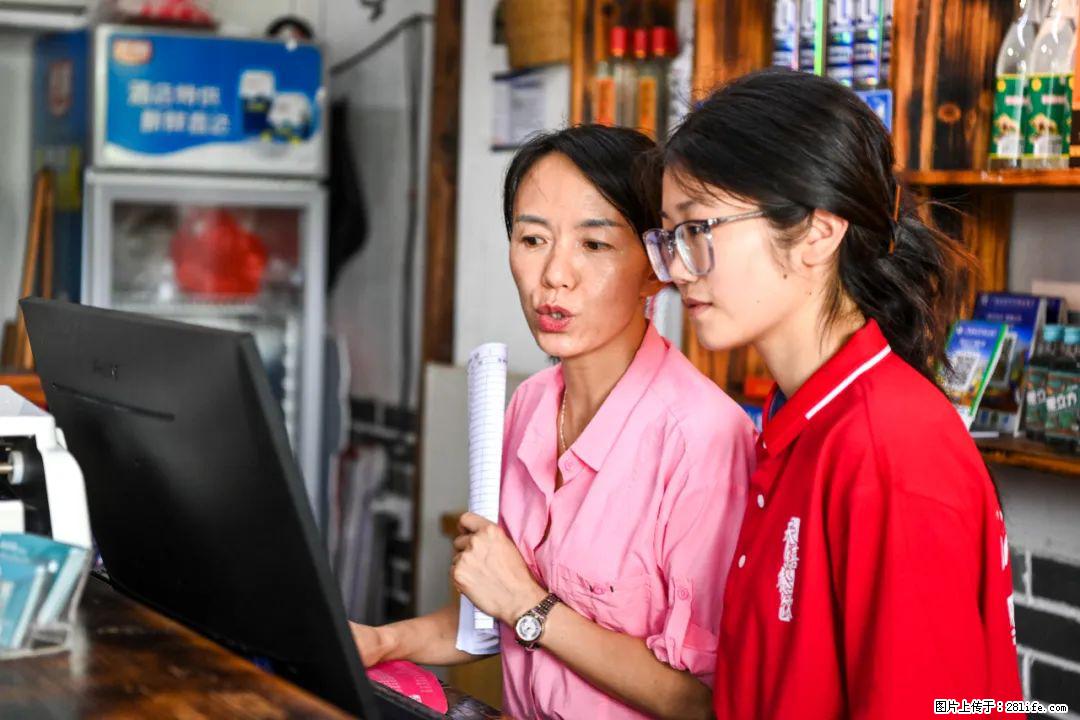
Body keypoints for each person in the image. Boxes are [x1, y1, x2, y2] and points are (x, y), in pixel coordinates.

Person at [645, 67, 1023, 719]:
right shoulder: (802, 418)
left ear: (819, 232)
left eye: (699, 230)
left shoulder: (889, 450)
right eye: (670, 237)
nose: (677, 268)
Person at [352, 125, 755, 719]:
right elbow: (492, 613)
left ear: (656, 267)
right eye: (533, 239)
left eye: (594, 244)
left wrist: (530, 606)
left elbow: (704, 703)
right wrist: (382, 641)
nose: (554, 275)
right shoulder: (531, 405)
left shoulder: (705, 438)